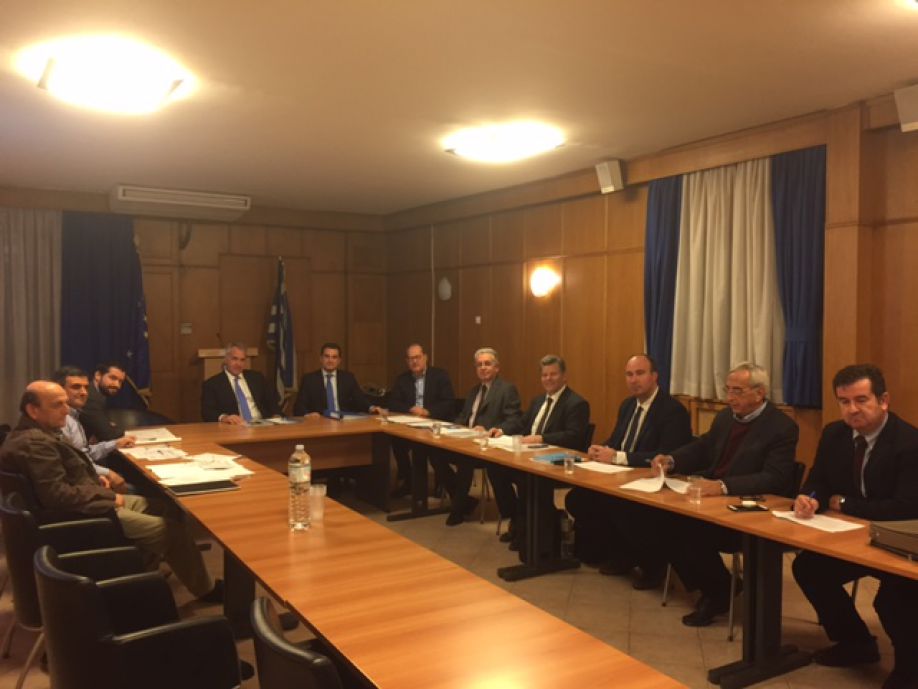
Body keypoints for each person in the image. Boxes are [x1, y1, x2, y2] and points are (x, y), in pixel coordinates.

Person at [0, 381, 221, 601]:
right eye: (58, 405)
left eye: (66, 403)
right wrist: (108, 495)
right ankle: (205, 590)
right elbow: (57, 495)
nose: (66, 410)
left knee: (165, 507)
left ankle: (142, 573)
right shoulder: (35, 444)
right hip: (87, 515)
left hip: (89, 501)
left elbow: (62, 478)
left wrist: (94, 480)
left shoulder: (35, 434)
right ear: (33, 410)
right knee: (172, 532)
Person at [792, 364, 918, 689]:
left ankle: (909, 670)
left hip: (899, 542)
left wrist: (845, 504)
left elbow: (906, 507)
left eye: (861, 400)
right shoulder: (834, 433)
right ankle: (856, 643)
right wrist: (809, 498)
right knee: (809, 568)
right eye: (844, 402)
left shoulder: (909, 442)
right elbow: (818, 480)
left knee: (892, 601)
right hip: (854, 537)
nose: (852, 410)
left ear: (883, 400)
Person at [642, 362, 798, 625]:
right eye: (728, 390)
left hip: (749, 509)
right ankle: (720, 586)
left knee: (689, 532)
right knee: (663, 519)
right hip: (713, 500)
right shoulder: (726, 417)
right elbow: (703, 446)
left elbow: (775, 478)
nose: (730, 398)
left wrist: (723, 486)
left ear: (759, 393)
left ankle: (717, 593)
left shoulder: (781, 427)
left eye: (738, 391)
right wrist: (672, 460)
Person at [564, 354, 693, 578]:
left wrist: (618, 457)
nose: (634, 380)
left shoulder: (672, 410)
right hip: (620, 477)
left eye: (640, 373)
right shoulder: (627, 405)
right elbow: (617, 441)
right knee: (577, 499)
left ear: (654, 376)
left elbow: (666, 455)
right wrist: (600, 449)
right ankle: (617, 552)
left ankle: (652, 565)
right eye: (629, 375)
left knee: (622, 507)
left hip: (653, 481)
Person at [490, 354, 589, 547]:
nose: (548, 379)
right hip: (530, 459)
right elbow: (521, 423)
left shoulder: (576, 403)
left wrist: (541, 438)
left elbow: (574, 436)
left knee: (526, 480)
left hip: (557, 464)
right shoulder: (538, 401)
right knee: (495, 469)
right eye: (544, 375)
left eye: (553, 374)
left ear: (564, 376)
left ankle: (529, 531)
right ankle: (517, 520)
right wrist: (502, 430)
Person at [432, 347, 522, 526]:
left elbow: (514, 420)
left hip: (488, 447)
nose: (483, 368)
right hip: (466, 441)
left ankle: (458, 509)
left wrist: (491, 430)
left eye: (487, 364)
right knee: (435, 454)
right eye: (479, 365)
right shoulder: (474, 391)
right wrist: (452, 428)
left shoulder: (507, 389)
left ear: (497, 367)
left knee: (465, 460)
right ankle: (464, 500)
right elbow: (464, 417)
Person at [382, 343, 455, 498]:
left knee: (432, 451)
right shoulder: (402, 379)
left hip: (435, 424)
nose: (414, 361)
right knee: (396, 442)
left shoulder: (440, 376)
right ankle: (408, 481)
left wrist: (428, 411)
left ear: (425, 357)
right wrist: (410, 409)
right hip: (411, 425)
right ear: (406, 361)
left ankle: (441, 483)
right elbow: (393, 402)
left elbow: (448, 402)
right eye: (410, 359)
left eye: (417, 357)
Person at [53, 365, 135, 491]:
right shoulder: (60, 420)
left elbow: (84, 453)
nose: (84, 393)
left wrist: (115, 444)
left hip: (87, 479)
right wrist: (107, 473)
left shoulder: (74, 415)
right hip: (78, 487)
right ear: (60, 390)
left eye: (86, 387)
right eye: (76, 387)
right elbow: (75, 462)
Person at [201, 343, 279, 423]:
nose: (238, 364)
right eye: (234, 359)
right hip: (234, 426)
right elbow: (207, 412)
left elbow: (272, 402)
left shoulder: (257, 378)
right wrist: (224, 418)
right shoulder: (212, 384)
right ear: (226, 359)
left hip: (262, 424)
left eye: (242, 360)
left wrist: (276, 415)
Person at [293, 342, 372, 416]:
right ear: (321, 359)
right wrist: (307, 415)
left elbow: (360, 399)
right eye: (327, 356)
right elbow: (299, 406)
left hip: (343, 420)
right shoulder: (309, 380)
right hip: (320, 420)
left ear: (339, 361)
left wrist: (372, 408)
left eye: (334, 357)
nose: (330, 360)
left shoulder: (348, 378)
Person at [79, 361, 129, 441]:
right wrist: (113, 428)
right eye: (113, 378)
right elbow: (108, 435)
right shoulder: (91, 397)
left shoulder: (98, 394)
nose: (117, 385)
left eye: (120, 381)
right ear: (98, 375)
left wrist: (107, 427)